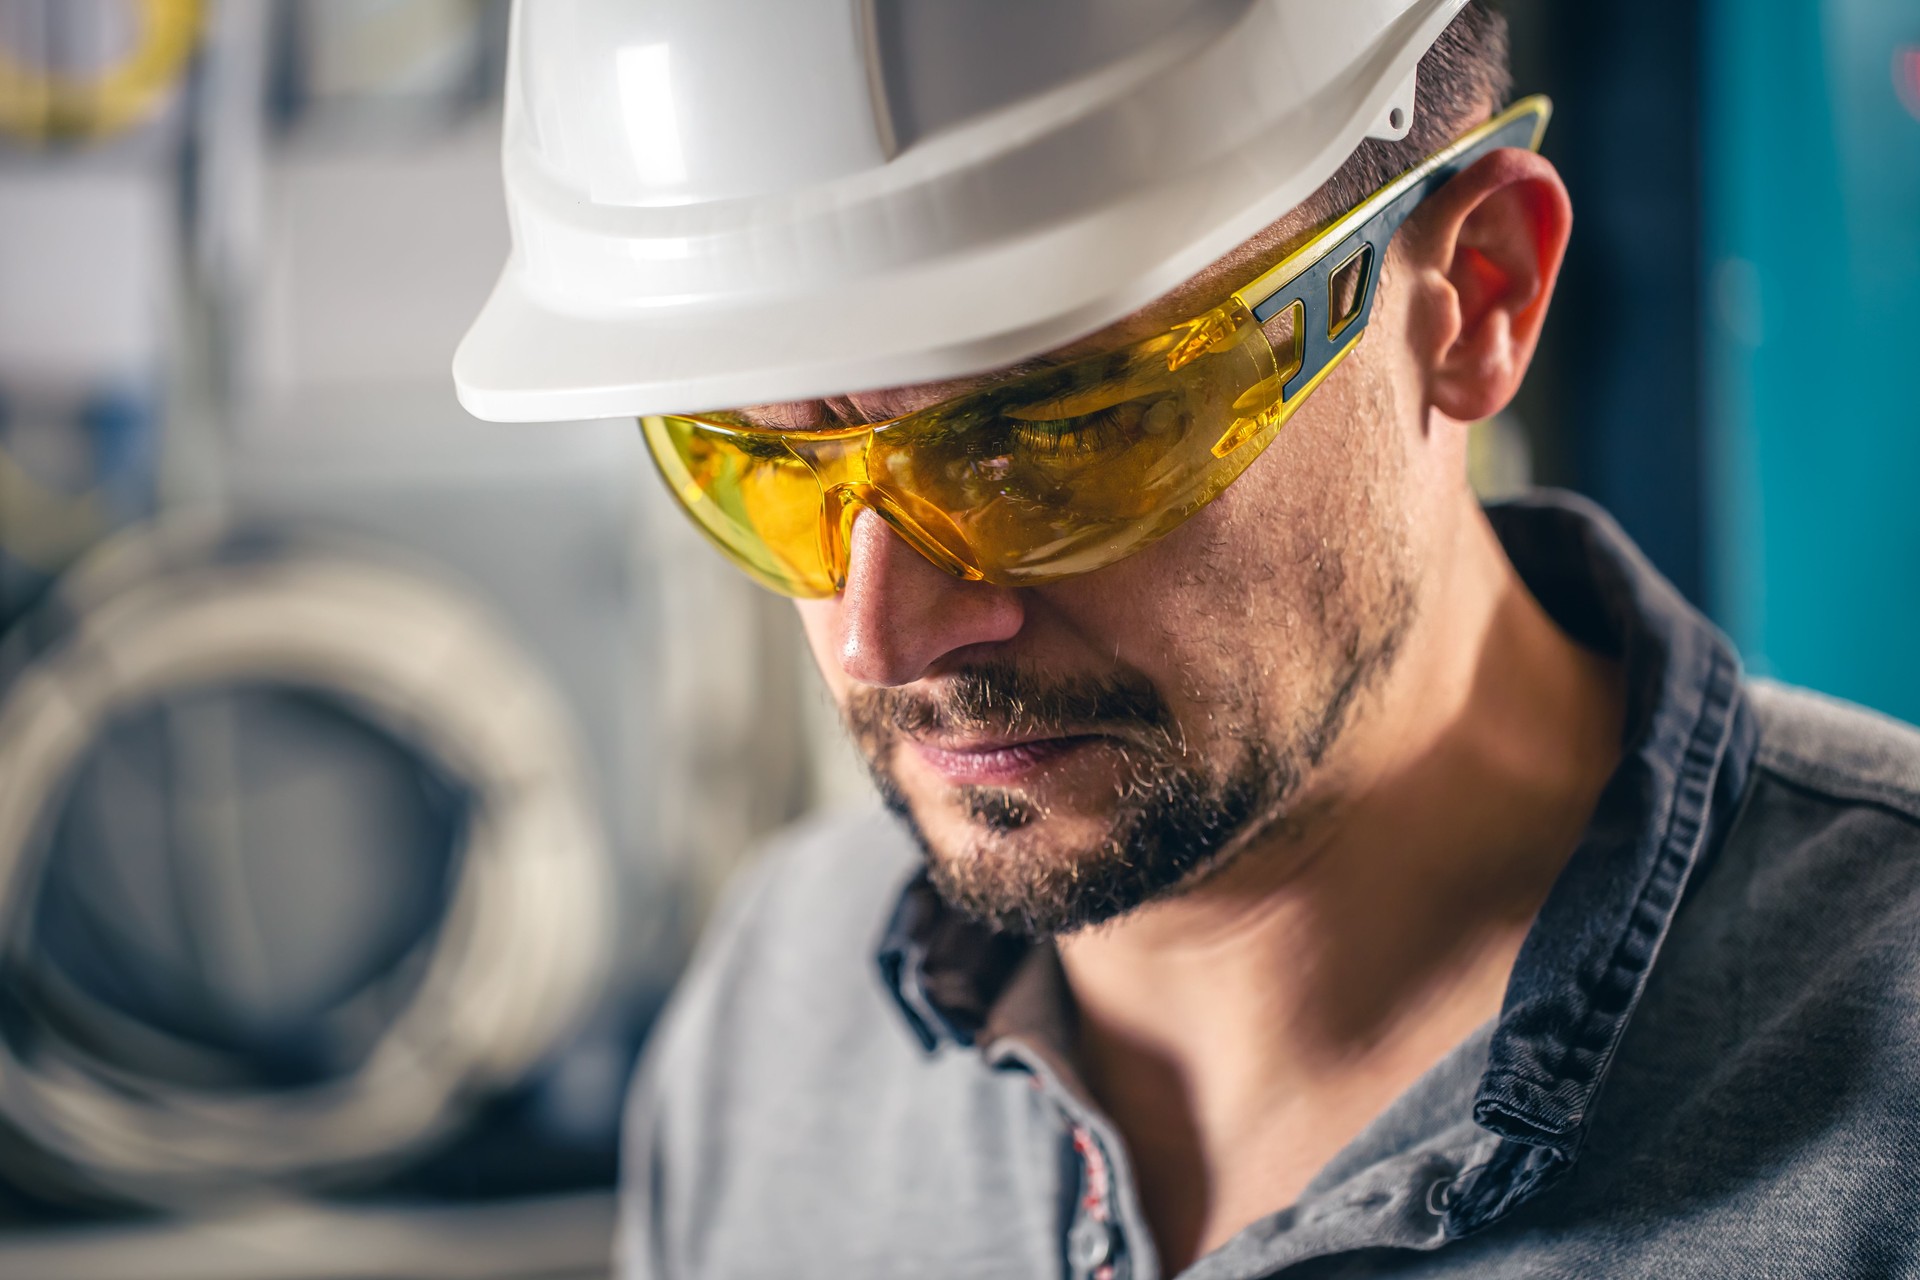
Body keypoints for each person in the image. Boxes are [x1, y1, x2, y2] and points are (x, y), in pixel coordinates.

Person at [456, 2, 1920, 1276]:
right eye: (763, 469)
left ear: (1475, 298)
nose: (878, 639)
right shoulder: (782, 1004)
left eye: (1060, 438)